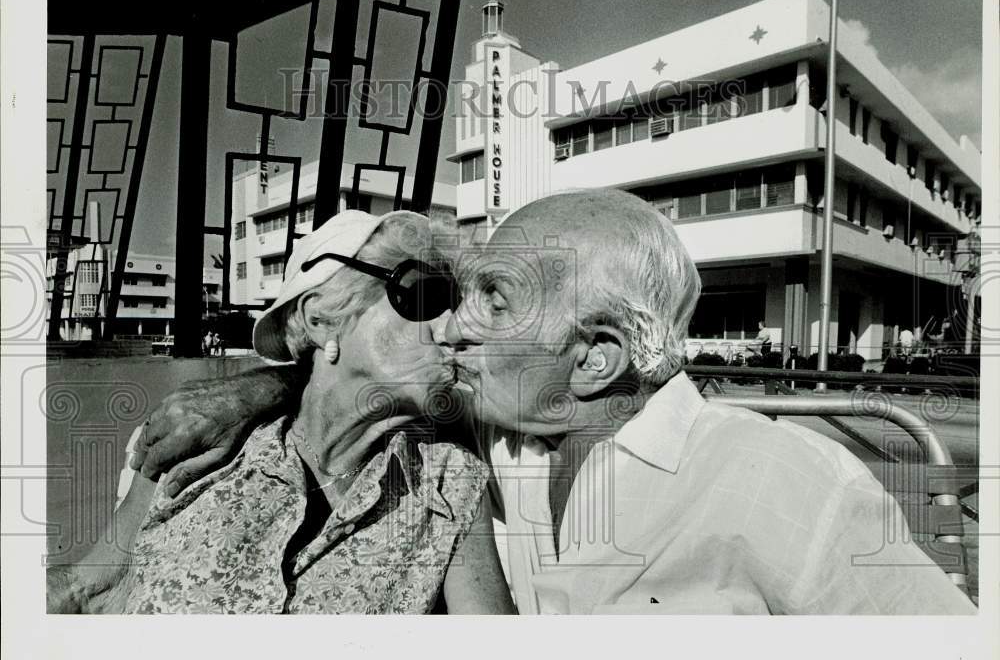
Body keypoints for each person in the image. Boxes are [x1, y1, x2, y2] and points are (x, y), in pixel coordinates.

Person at [132, 189, 974, 614]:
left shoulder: (792, 487)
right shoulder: (487, 435)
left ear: (595, 359)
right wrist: (252, 388)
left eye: (492, 298)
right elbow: (350, 385)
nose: (452, 325)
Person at [47, 210, 514, 615]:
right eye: (421, 294)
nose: (452, 324)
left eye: (454, 302)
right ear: (320, 319)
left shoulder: (450, 484)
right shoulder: (197, 447)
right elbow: (90, 588)